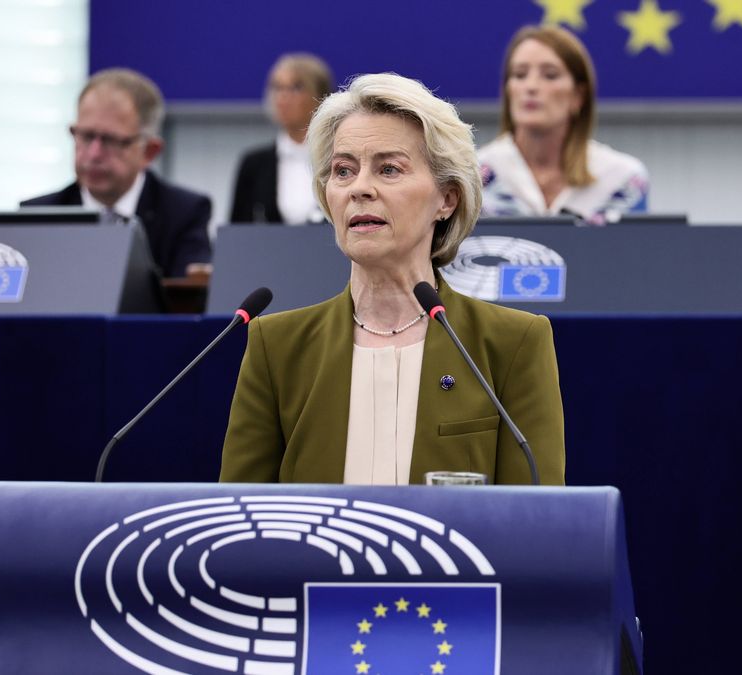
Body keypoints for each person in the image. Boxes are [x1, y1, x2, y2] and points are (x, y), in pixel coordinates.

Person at [219, 73, 566, 485]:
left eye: (388, 169)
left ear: (447, 198)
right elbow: (240, 525)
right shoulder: (276, 347)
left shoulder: (511, 343)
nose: (359, 188)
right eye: (343, 171)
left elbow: (539, 527)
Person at [23, 68, 211, 278]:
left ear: (149, 151)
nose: (94, 154)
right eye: (86, 136)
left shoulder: (184, 213)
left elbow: (189, 302)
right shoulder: (38, 216)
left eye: (110, 141)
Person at [479, 25, 649, 224]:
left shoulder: (623, 180)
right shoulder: (473, 176)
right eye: (519, 74)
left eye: (550, 75)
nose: (531, 86)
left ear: (579, 95)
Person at [229, 53, 333, 224]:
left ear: (320, 96)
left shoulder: (339, 158)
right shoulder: (254, 164)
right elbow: (238, 234)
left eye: (296, 88)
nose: (283, 97)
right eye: (277, 88)